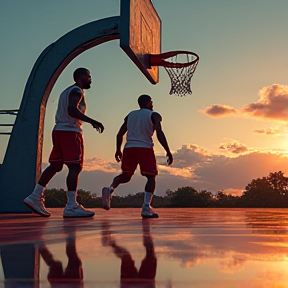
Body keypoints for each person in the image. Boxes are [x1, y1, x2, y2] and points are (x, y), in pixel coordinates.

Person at [24, 67, 104, 218]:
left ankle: (35, 195)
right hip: (70, 132)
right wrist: (93, 121)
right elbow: (71, 110)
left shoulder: (67, 91)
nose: (90, 79)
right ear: (80, 77)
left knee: (55, 165)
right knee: (75, 167)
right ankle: (71, 206)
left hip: (59, 131)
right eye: (88, 76)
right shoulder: (76, 91)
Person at [102, 94, 173, 218]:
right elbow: (159, 133)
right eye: (151, 102)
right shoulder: (154, 115)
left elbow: (119, 134)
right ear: (148, 103)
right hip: (145, 148)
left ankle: (111, 189)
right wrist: (168, 150)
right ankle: (146, 207)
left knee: (125, 176)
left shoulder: (130, 115)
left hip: (129, 148)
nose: (152, 105)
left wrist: (118, 150)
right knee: (151, 177)